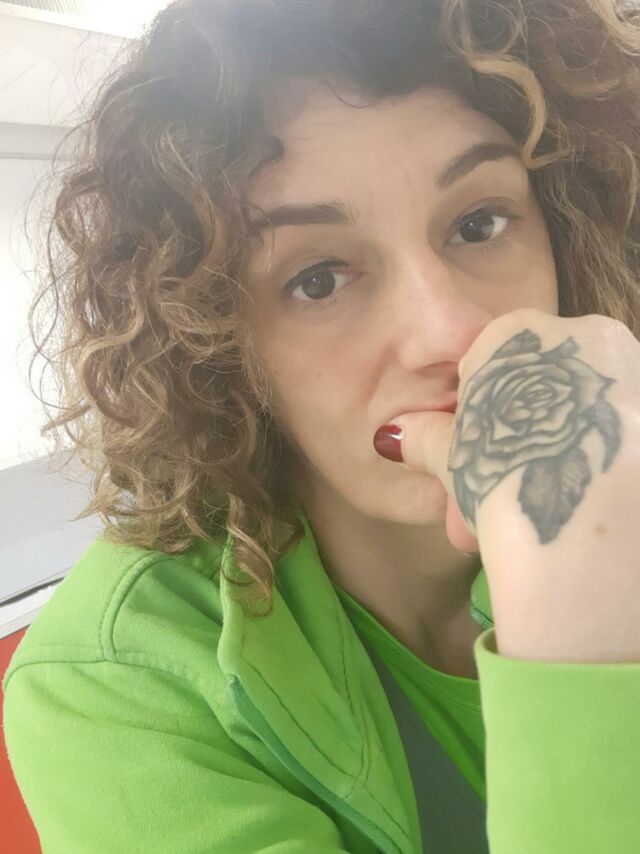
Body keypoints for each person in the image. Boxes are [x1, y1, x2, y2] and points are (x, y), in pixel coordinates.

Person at [3, 0, 640, 851]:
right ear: (216, 342)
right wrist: (580, 653)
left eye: (478, 224)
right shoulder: (116, 677)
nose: (450, 332)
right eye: (318, 280)